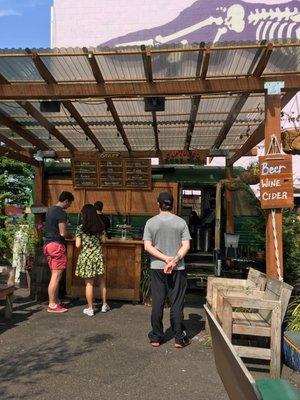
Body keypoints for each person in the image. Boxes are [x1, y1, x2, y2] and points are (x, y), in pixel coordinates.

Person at [143, 191, 191, 348]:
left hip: (157, 267)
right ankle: (178, 338)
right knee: (176, 302)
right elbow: (186, 245)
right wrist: (174, 260)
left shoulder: (151, 222)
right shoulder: (181, 222)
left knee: (158, 302)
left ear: (158, 204)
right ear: (172, 204)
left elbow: (147, 246)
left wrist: (164, 259)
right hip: (177, 268)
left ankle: (156, 337)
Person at [75, 204, 110, 316]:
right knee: (102, 282)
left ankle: (90, 309)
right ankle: (104, 305)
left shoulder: (80, 228)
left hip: (86, 257)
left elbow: (77, 245)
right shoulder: (101, 227)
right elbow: (104, 241)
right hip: (98, 257)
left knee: (89, 284)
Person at [44, 191, 74, 313]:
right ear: (66, 200)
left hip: (48, 244)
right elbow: (62, 233)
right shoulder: (61, 212)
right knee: (56, 276)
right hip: (56, 245)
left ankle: (55, 301)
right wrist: (72, 236)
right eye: (70, 203)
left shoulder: (50, 210)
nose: (70, 206)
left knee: (54, 275)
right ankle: (52, 305)